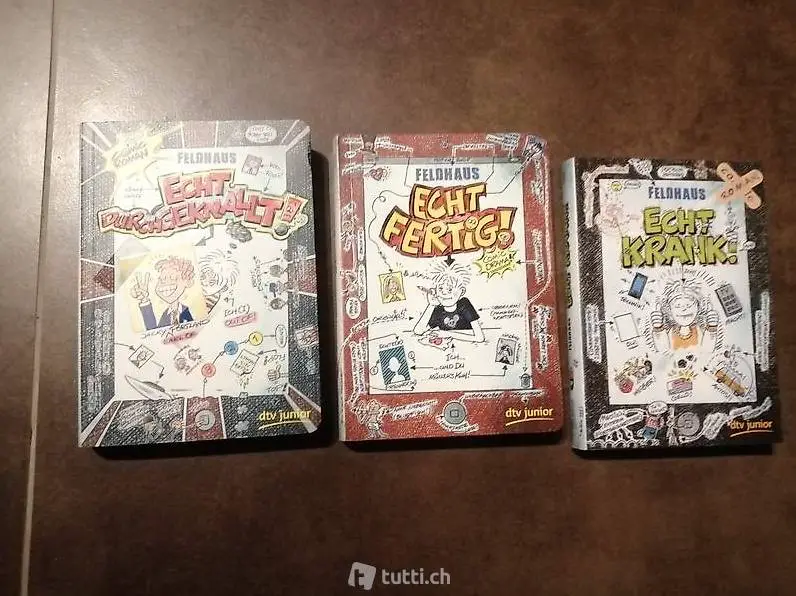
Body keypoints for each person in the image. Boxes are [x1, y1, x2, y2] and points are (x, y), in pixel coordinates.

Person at [413, 260, 484, 343]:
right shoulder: (438, 310)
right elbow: (418, 331)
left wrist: (447, 334)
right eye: (440, 288)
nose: (444, 293)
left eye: (450, 289)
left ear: (462, 291)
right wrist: (431, 305)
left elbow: (480, 338)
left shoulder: (464, 304)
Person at [651, 280, 718, 351]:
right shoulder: (671, 332)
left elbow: (707, 350)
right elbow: (663, 349)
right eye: (678, 305)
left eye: (689, 305)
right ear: (669, 310)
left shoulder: (698, 331)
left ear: (698, 308)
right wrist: (658, 328)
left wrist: (712, 327)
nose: (684, 309)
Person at [131, 256, 195, 330]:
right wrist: (145, 300)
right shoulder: (166, 314)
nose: (167, 283)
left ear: (188, 282)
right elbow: (154, 330)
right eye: (161, 280)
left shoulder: (187, 311)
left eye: (173, 278)